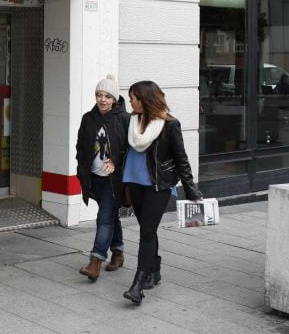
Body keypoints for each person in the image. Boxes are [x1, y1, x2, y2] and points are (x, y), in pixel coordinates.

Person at [122, 80, 203, 305]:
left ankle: (138, 284)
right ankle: (154, 269)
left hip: (158, 186)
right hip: (134, 184)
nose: (130, 101)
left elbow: (181, 159)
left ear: (145, 100)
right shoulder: (130, 121)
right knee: (148, 229)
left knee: (147, 232)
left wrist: (191, 190)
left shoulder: (169, 125)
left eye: (133, 98)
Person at [75, 74, 131, 281]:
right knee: (110, 215)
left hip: (114, 180)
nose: (103, 99)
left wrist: (115, 160)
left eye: (107, 96)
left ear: (115, 99)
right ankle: (118, 252)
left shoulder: (124, 119)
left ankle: (95, 261)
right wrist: (82, 169)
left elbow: (131, 148)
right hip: (93, 177)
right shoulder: (88, 119)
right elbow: (81, 146)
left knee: (104, 218)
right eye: (99, 95)